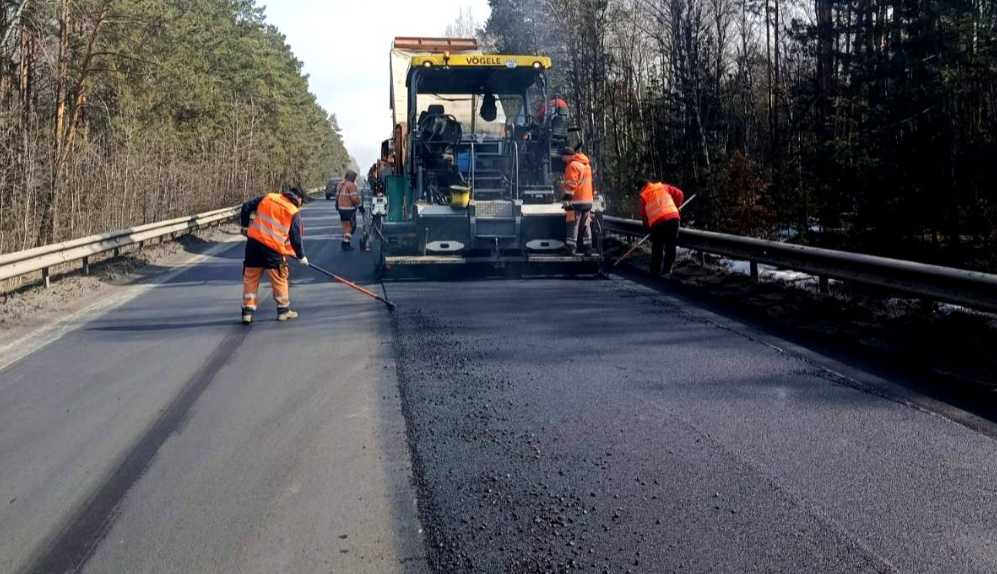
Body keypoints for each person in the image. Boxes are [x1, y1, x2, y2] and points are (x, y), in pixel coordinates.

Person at [240, 186, 307, 324]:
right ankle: (283, 311)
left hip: (253, 245)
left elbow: (246, 206)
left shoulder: (269, 197)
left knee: (250, 278)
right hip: (273, 250)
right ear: (299, 199)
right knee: (279, 279)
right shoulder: (293, 211)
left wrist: (245, 227)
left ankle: (247, 311)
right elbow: (295, 237)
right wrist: (301, 256)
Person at [638, 179, 685, 275]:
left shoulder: (644, 195)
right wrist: (676, 206)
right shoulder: (662, 186)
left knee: (657, 248)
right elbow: (680, 194)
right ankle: (667, 270)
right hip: (673, 219)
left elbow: (644, 215)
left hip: (657, 224)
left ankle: (655, 271)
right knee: (671, 246)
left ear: (642, 187)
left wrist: (647, 229)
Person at [560, 147, 594, 255]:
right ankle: (588, 248)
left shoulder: (572, 166)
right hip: (588, 201)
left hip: (577, 201)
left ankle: (571, 249)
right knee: (585, 225)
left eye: (562, 157)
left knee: (573, 224)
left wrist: (566, 200)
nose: (562, 160)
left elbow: (571, 184)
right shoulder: (586, 165)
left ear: (567, 155)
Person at [336, 170, 362, 250]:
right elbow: (354, 199)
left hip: (341, 209)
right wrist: (360, 205)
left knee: (345, 226)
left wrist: (338, 205)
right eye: (354, 178)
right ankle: (345, 243)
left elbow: (337, 196)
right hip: (349, 209)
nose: (355, 179)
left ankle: (345, 242)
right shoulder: (351, 185)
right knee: (351, 227)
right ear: (352, 177)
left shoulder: (340, 184)